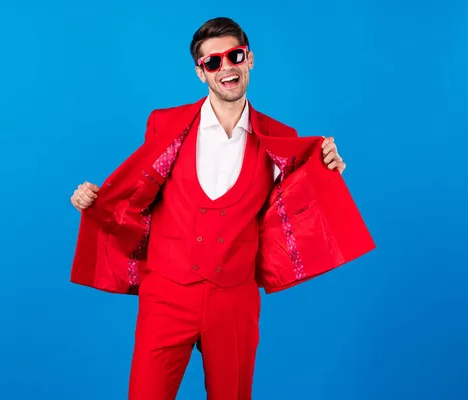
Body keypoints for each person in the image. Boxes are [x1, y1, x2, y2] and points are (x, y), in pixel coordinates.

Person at [69, 17, 374, 400]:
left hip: (234, 301)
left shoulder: (280, 139)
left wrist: (327, 166)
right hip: (166, 296)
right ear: (200, 72)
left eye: (234, 55)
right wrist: (95, 202)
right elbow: (136, 196)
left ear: (250, 60)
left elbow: (300, 204)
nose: (225, 67)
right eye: (212, 62)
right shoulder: (165, 124)